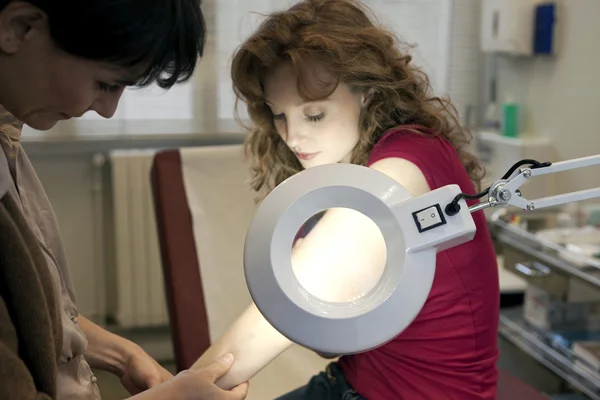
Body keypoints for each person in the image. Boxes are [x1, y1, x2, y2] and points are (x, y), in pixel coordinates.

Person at [191, 0, 499, 399]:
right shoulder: (372, 161)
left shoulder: (398, 172)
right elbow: (333, 339)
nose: (293, 137)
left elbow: (273, 321)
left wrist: (177, 391)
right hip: (355, 381)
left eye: (314, 115)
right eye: (279, 115)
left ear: (368, 94)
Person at [0, 1, 248, 399]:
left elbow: (25, 311)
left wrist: (121, 354)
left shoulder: (8, 133)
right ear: (20, 28)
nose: (108, 110)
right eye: (106, 83)